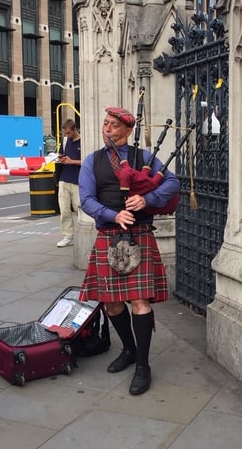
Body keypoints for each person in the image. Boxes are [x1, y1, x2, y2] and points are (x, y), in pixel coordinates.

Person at [79, 106, 180, 396]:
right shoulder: (92, 161)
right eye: (105, 123)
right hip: (108, 235)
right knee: (111, 303)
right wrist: (114, 215)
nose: (106, 129)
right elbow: (86, 199)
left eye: (112, 125)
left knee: (139, 301)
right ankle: (129, 349)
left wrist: (146, 199)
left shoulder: (143, 158)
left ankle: (143, 366)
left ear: (127, 130)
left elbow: (173, 182)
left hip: (139, 236)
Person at [56, 119, 82, 247]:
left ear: (74, 130)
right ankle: (68, 236)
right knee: (64, 209)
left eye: (68, 133)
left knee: (79, 208)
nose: (66, 136)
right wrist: (59, 158)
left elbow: (88, 162)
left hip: (77, 180)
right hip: (64, 178)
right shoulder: (65, 141)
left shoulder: (84, 141)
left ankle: (83, 232)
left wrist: (73, 161)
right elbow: (61, 153)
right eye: (65, 134)